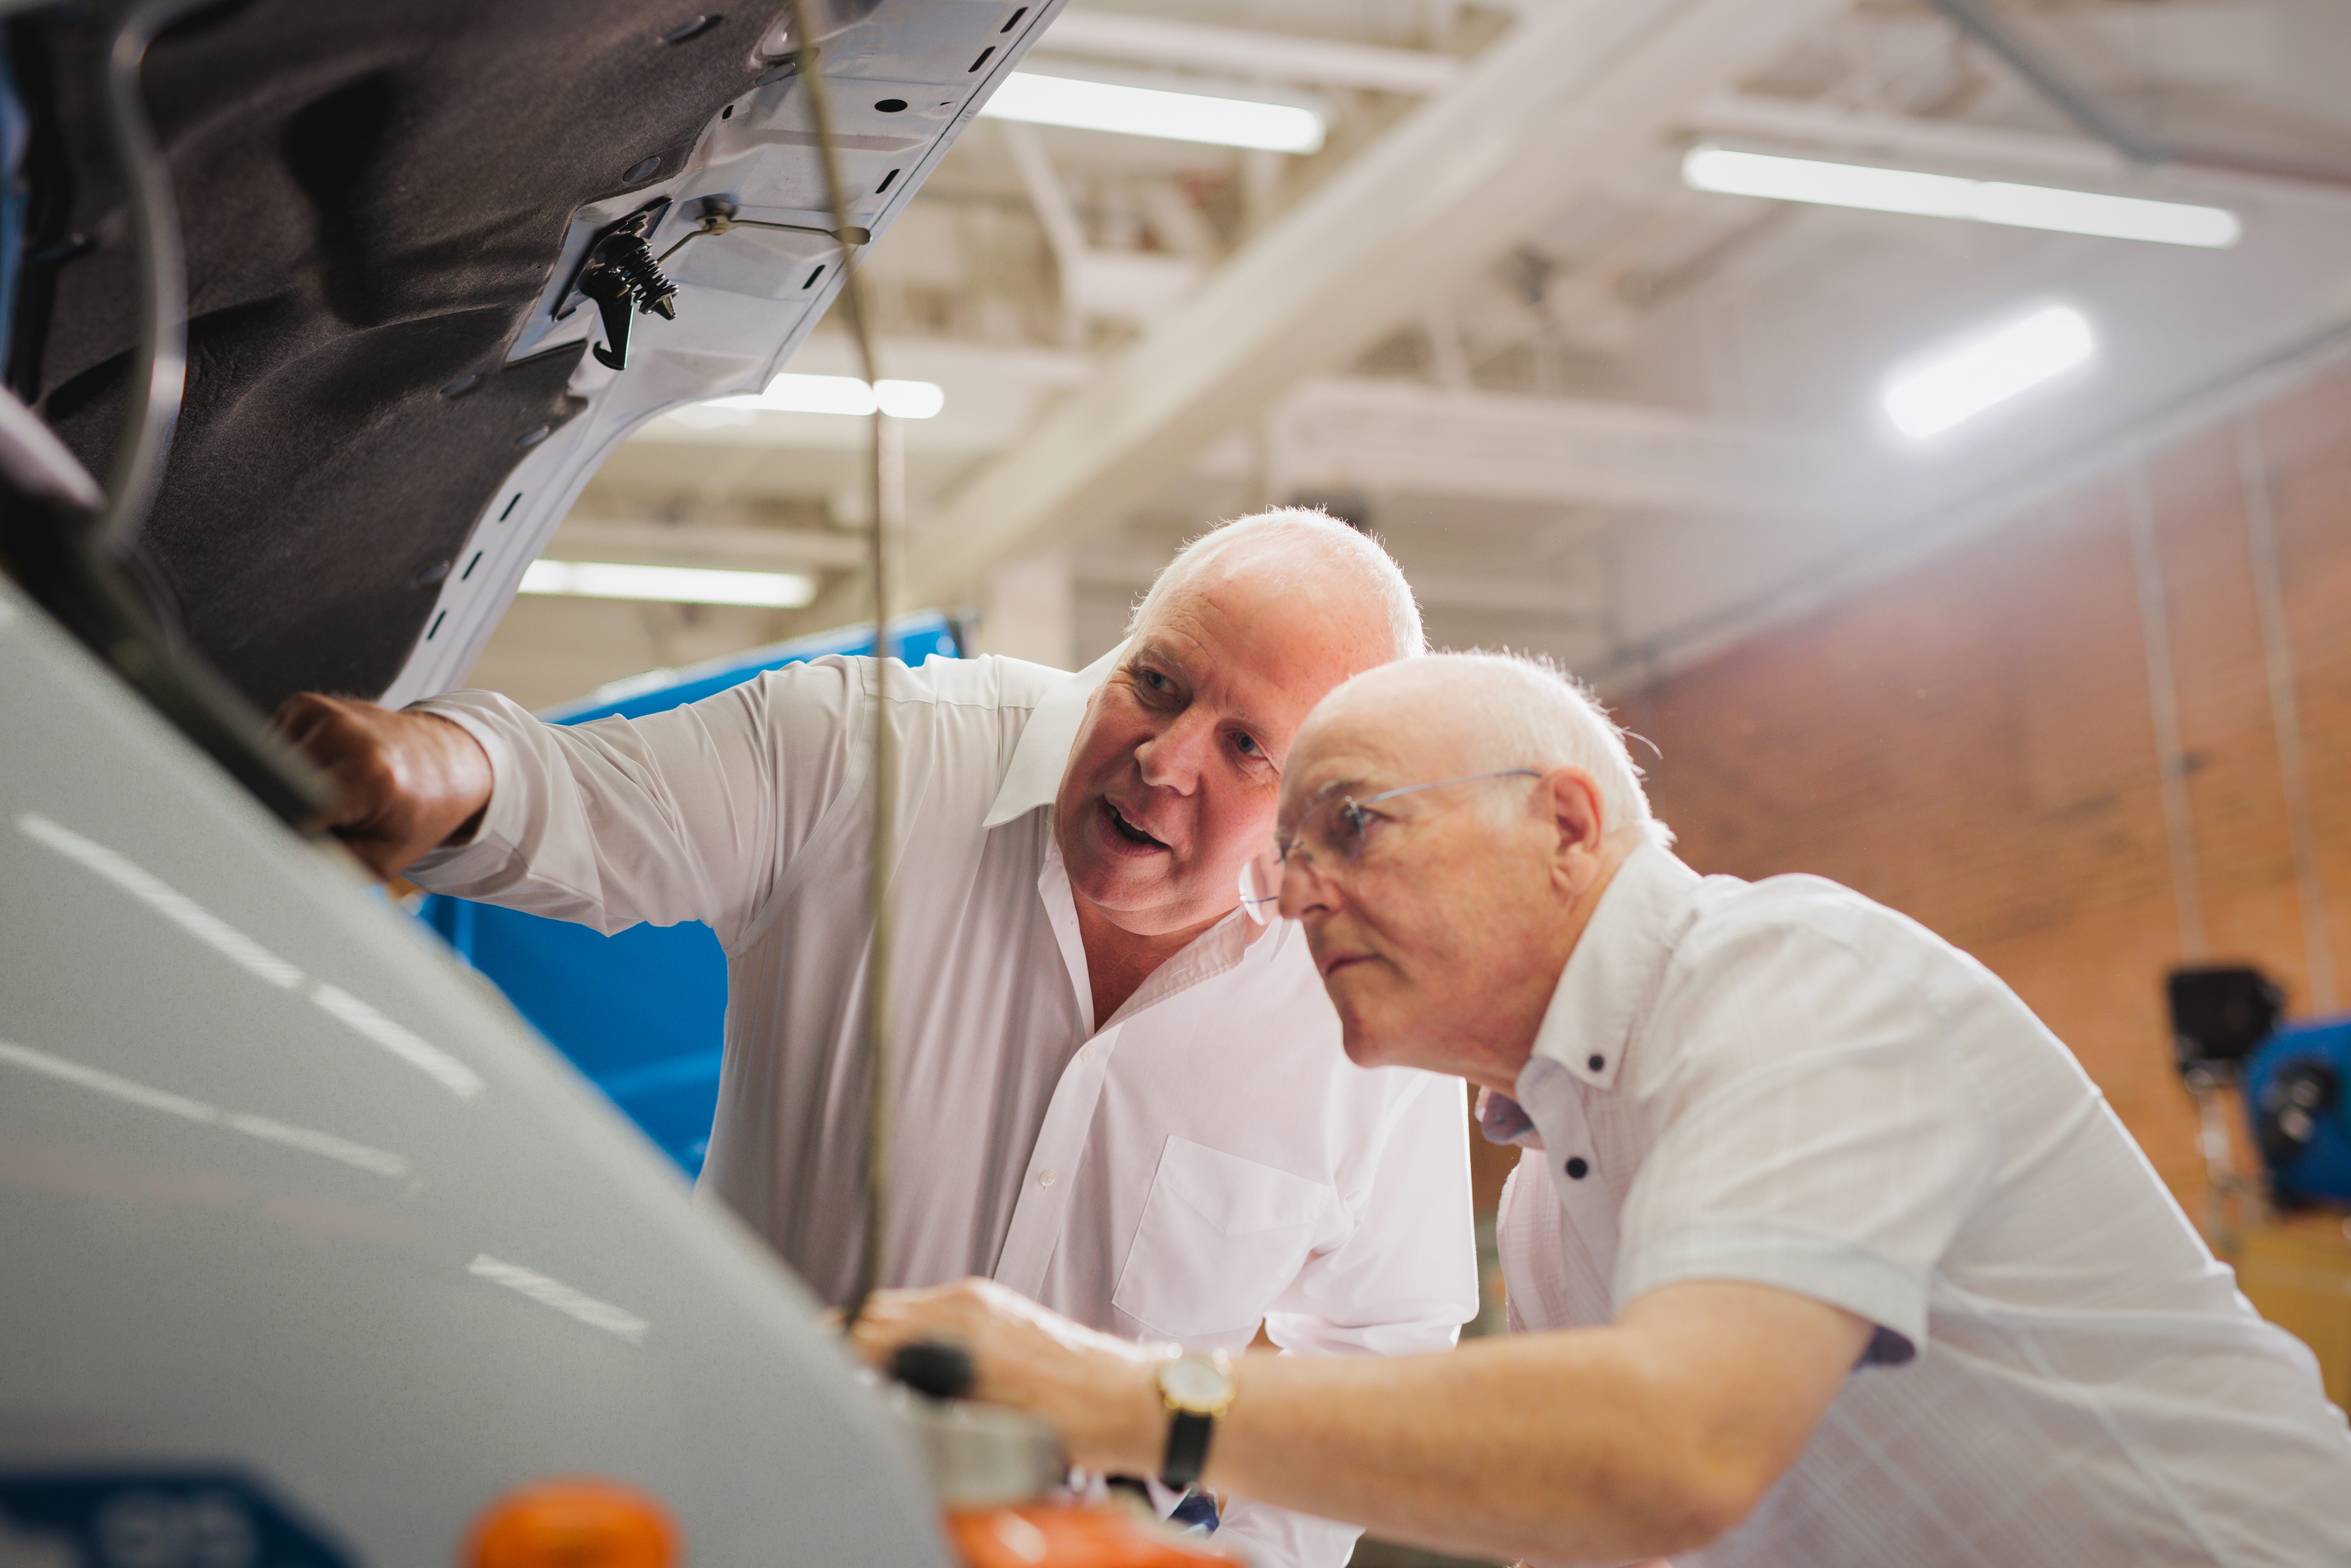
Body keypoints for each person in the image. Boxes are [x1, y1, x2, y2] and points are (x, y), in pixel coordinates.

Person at [851, 650, 2351, 1567]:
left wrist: (1125, 1400)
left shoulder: (1787, 981)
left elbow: (1675, 1446)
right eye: (1283, 860)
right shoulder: (1558, 1197)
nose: (1295, 893)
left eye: (1350, 825)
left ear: (1564, 820)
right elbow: (1611, 1529)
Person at [274, 510, 1476, 1568]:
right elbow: (571, 795)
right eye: (1157, 683)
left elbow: (1379, 1344)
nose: (1163, 760)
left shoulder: (1367, 998)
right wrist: (425, 762)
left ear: (1322, 811)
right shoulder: (867, 754)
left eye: (1245, 746)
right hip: (737, 1528)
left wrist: (1252, 1561)